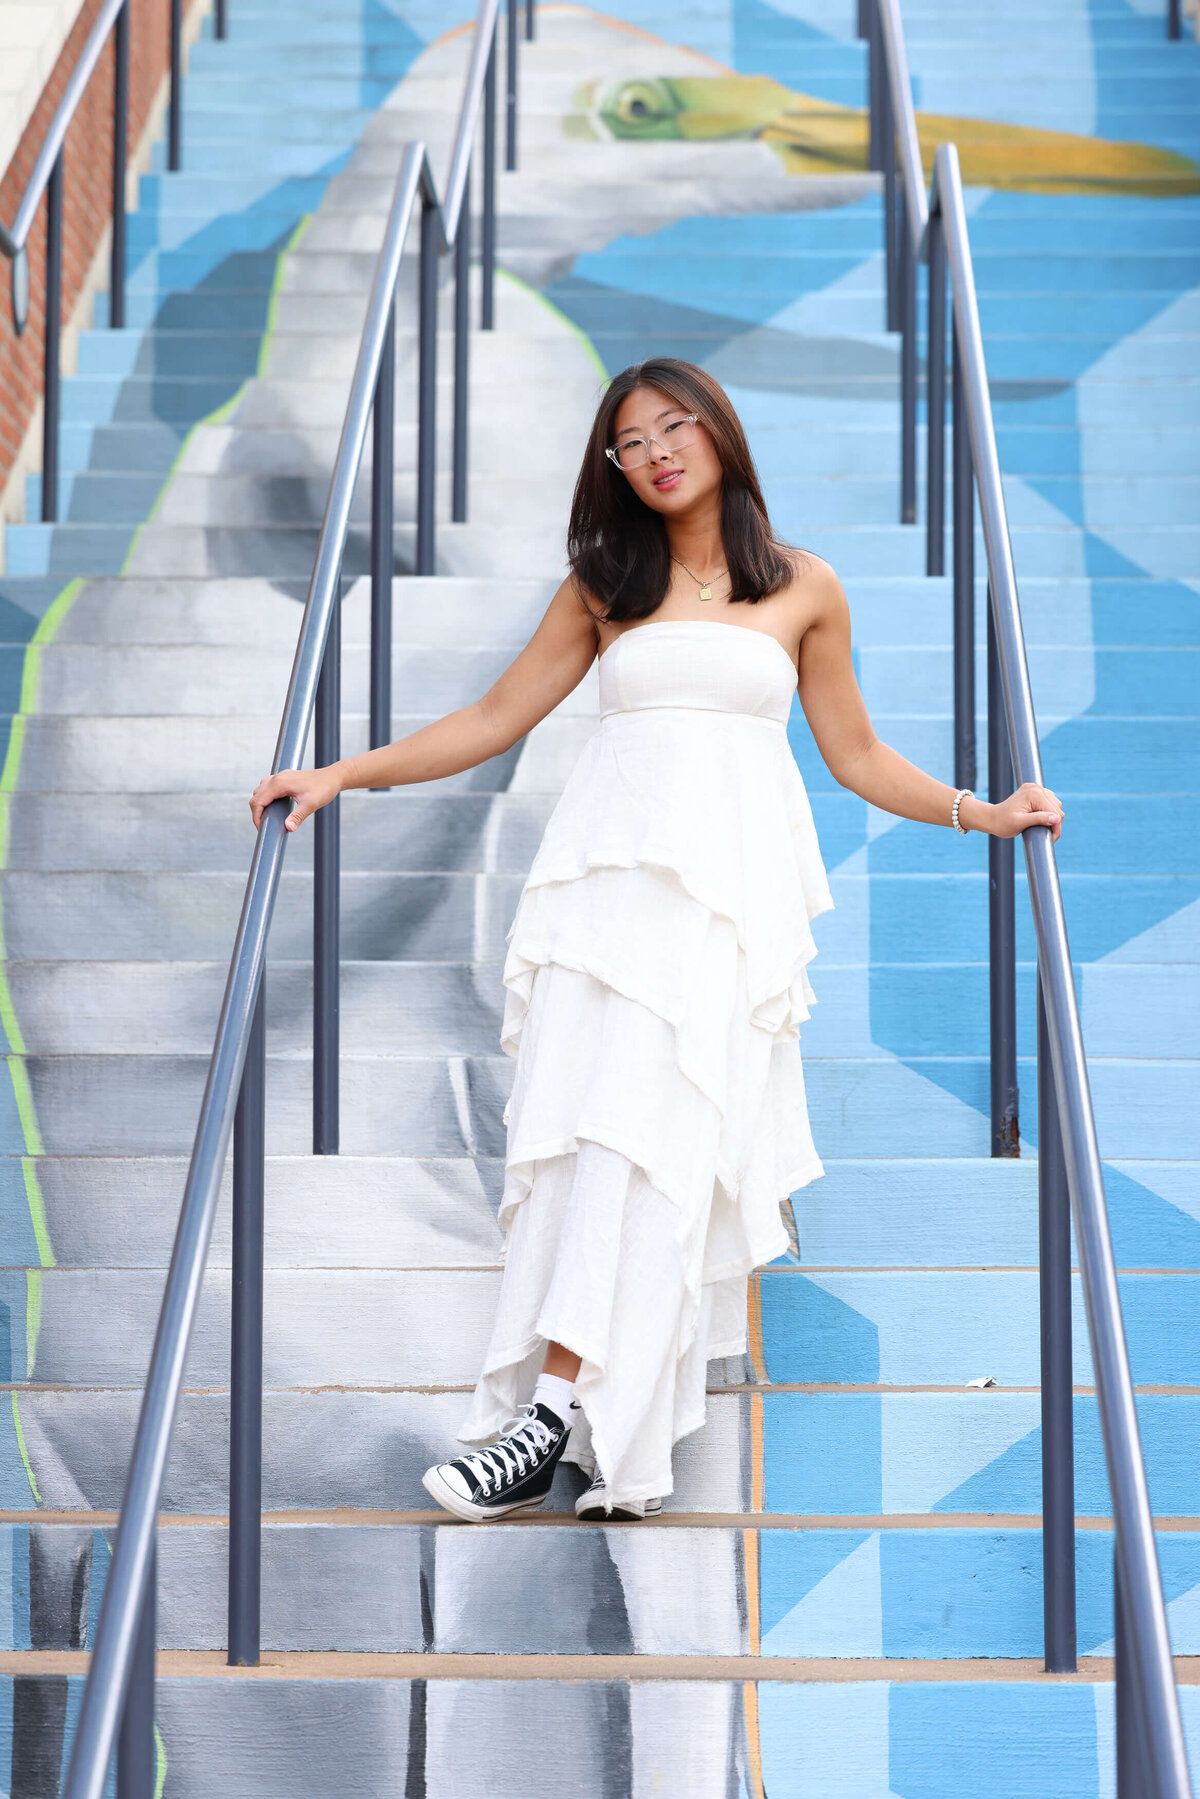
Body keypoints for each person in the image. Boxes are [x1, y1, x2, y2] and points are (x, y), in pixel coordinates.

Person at [250, 357, 1063, 1526]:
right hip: (605, 899)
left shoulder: (804, 589)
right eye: (630, 441)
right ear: (614, 467)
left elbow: (858, 756)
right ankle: (567, 1414)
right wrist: (341, 772)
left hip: (724, 905)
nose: (657, 451)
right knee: (591, 1146)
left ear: (721, 434)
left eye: (675, 426)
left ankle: (552, 1413)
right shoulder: (604, 584)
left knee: (662, 1142)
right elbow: (492, 718)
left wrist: (981, 812)